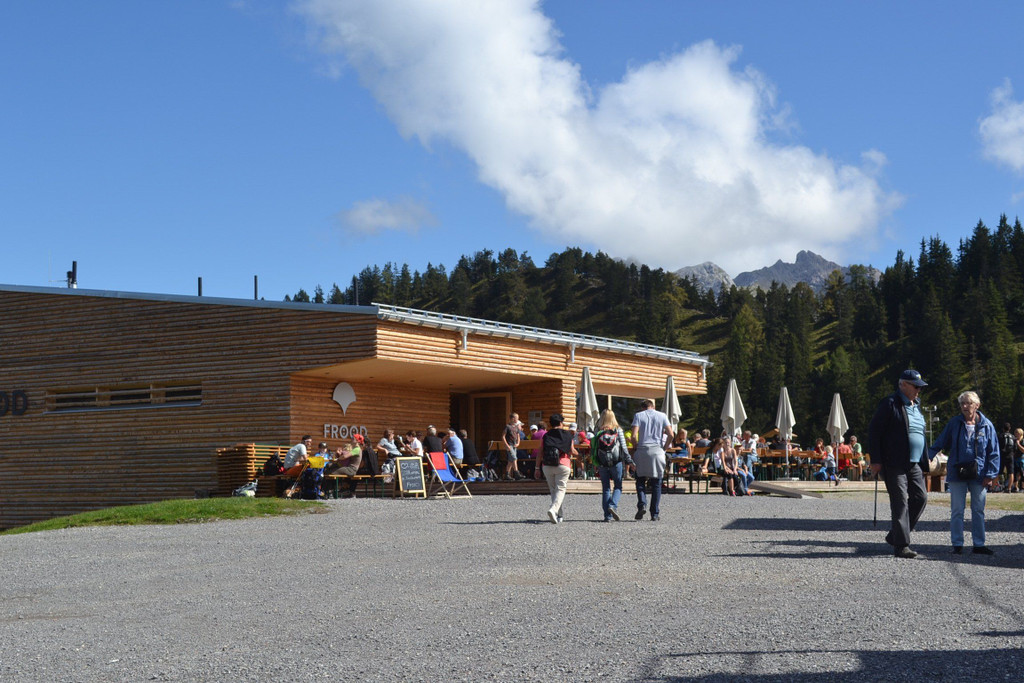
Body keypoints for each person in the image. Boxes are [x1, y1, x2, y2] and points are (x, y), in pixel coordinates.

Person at [868, 369, 932, 559]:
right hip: (893, 462)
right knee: (900, 502)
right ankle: (901, 545)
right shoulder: (889, 403)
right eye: (916, 387)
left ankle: (895, 535)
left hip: (914, 463)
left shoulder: (916, 406)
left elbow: (919, 434)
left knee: (920, 498)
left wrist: (925, 460)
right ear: (903, 385)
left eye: (920, 387)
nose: (919, 390)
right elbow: (874, 432)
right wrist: (876, 460)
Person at [928, 391, 1000, 555]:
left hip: (979, 474)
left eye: (968, 403)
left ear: (977, 405)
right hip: (957, 472)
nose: (965, 406)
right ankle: (957, 544)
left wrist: (990, 475)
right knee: (957, 510)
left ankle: (979, 544)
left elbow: (994, 452)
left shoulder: (987, 426)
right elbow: (941, 441)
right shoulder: (954, 423)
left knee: (978, 510)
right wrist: (928, 457)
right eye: (962, 403)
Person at [630, 398, 674, 521]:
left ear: (643, 407)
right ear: (653, 406)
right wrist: (664, 448)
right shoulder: (662, 415)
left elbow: (633, 435)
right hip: (657, 451)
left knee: (640, 480)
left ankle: (642, 504)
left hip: (642, 450)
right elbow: (671, 434)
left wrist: (635, 446)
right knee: (656, 483)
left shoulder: (638, 415)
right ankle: (654, 514)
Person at [591, 409, 633, 522]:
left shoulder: (597, 430)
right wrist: (629, 461)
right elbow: (624, 448)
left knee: (606, 488)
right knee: (618, 486)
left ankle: (607, 516)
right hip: (616, 462)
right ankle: (612, 506)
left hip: (602, 463)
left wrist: (595, 462)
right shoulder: (618, 430)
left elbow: (594, 448)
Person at [535, 413, 576, 523]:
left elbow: (540, 452)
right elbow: (572, 450)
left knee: (554, 491)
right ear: (561, 423)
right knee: (560, 489)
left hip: (547, 465)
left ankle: (559, 515)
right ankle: (553, 510)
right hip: (563, 464)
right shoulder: (568, 435)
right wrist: (580, 455)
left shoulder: (546, 436)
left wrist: (537, 468)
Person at [502, 413, 524, 480]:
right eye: (517, 418)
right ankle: (516, 473)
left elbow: (518, 435)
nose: (517, 420)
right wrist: (506, 445)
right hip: (509, 445)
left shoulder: (516, 427)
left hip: (514, 445)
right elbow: (503, 436)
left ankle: (507, 474)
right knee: (514, 458)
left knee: (510, 461)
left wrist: (518, 443)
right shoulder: (507, 427)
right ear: (512, 419)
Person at [1000, 423, 1016, 492]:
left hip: (1002, 455)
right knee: (1011, 472)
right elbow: (1015, 448)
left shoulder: (1001, 436)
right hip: (1010, 455)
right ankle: (1009, 488)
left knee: (999, 471)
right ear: (1009, 428)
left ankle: (994, 487)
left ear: (1003, 428)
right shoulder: (1013, 437)